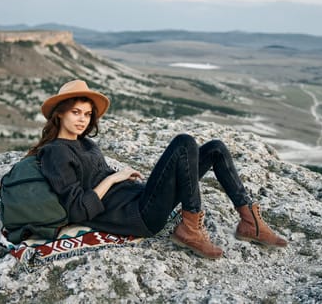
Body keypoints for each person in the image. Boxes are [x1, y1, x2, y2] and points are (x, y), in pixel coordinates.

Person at [27, 80, 287, 259]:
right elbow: (77, 209)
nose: (83, 119)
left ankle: (250, 221)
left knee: (216, 148)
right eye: (75, 112)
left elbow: (96, 175)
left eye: (87, 113)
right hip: (137, 216)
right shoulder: (55, 152)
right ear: (59, 114)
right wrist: (114, 178)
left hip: (140, 197)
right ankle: (190, 228)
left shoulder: (85, 142)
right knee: (184, 142)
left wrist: (120, 177)